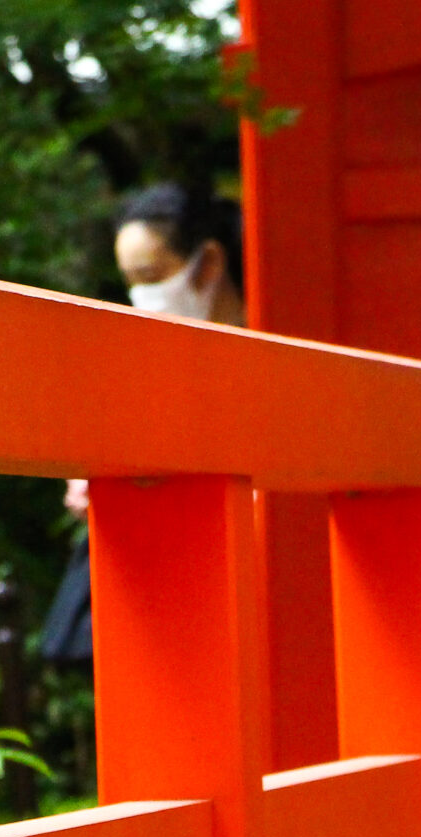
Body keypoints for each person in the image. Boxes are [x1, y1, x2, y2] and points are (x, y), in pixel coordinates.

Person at [42, 180, 249, 666]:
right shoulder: (142, 366)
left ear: (210, 264)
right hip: (167, 602)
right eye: (130, 280)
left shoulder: (273, 350)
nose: (141, 294)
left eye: (153, 275)